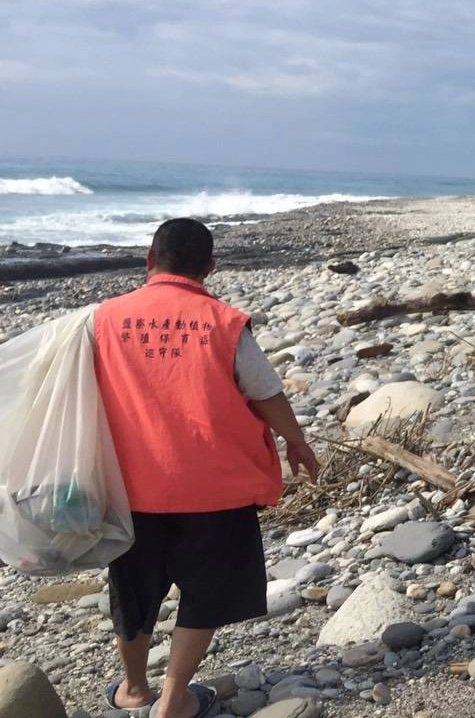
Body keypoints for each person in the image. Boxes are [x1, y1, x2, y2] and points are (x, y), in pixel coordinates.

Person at [93, 219, 320, 718]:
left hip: (129, 486)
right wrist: (296, 441)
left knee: (132, 590)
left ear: (149, 258)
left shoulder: (104, 318)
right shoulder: (224, 321)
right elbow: (264, 391)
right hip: (214, 487)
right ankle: (175, 700)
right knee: (206, 590)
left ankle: (133, 688)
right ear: (210, 268)